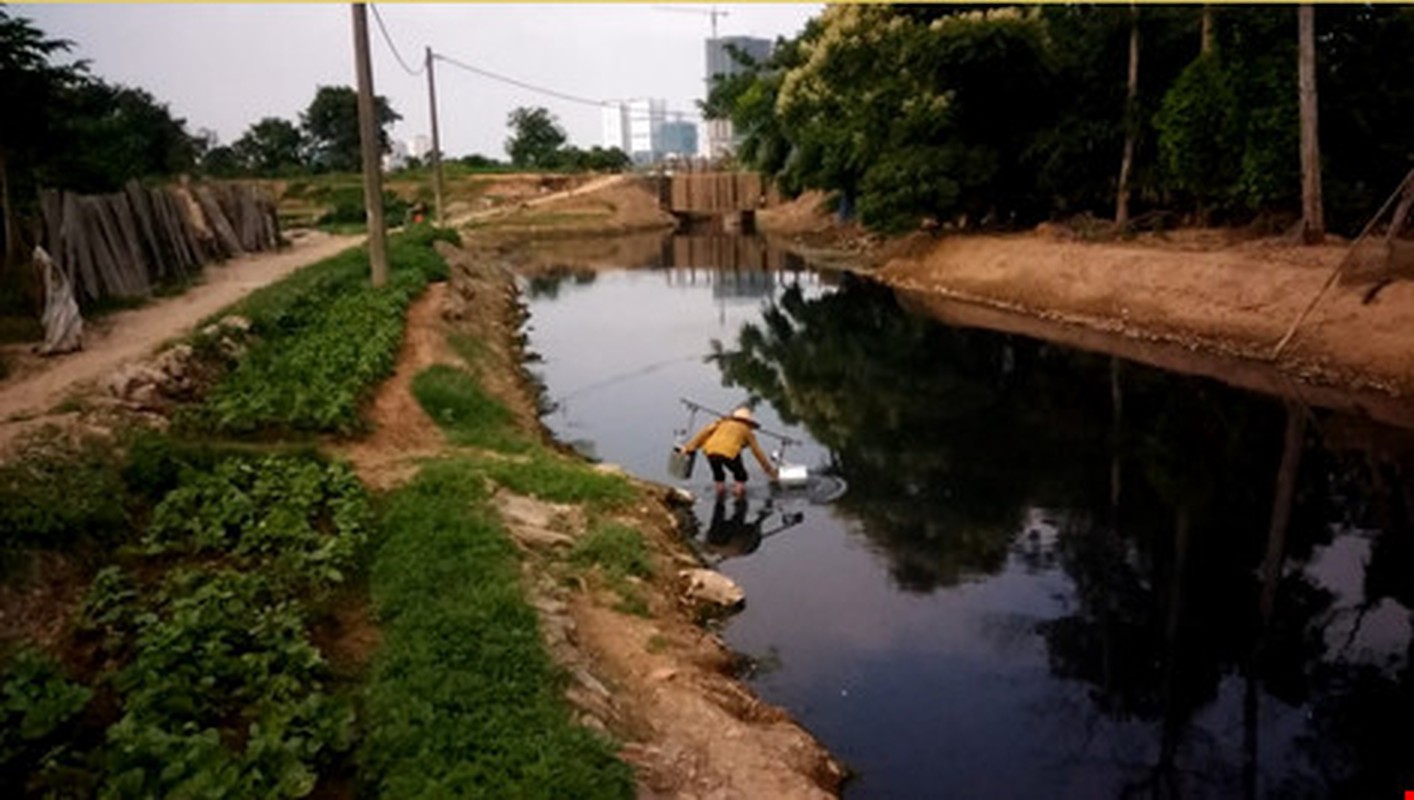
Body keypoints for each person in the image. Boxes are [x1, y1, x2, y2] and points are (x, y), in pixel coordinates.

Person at [680, 406, 778, 497]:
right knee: (741, 475)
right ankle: (738, 497)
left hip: (710, 451)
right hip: (729, 453)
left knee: (719, 475)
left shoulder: (720, 423)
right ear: (748, 422)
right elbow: (757, 452)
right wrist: (768, 470)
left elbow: (703, 434)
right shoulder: (747, 431)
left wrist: (688, 448)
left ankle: (720, 493)